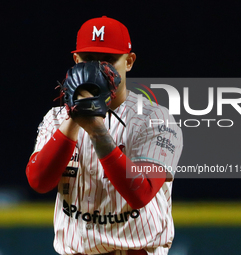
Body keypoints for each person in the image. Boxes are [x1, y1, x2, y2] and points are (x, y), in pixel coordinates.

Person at [26, 16, 183, 255]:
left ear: (129, 62)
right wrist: (74, 120)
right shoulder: (56, 118)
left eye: (109, 59)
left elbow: (140, 192)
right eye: (89, 59)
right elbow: (39, 181)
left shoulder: (155, 119)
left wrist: (97, 130)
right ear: (76, 61)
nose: (98, 68)